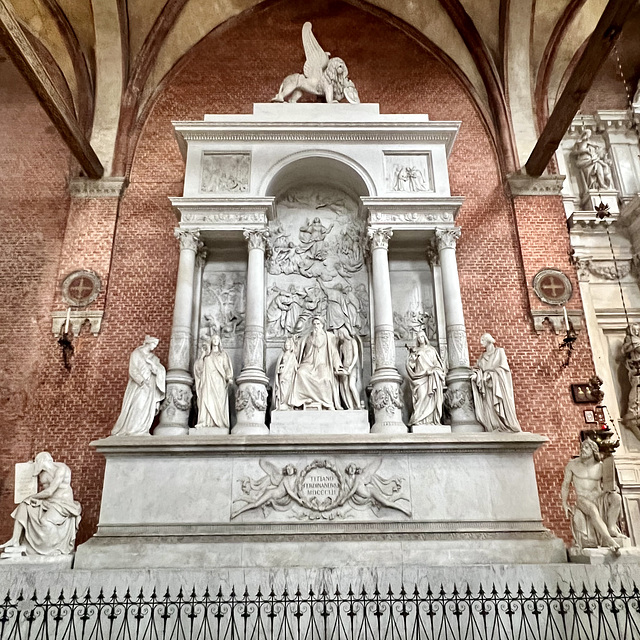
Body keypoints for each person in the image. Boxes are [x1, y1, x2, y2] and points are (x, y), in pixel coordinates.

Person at [0, 452, 81, 556]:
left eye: (37, 462)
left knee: (45, 520)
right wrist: (28, 467)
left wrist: (32, 497)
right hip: (47, 501)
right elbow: (32, 477)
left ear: (42, 461)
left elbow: (49, 491)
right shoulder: (42, 472)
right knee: (24, 505)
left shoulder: (61, 469)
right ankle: (15, 540)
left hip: (62, 503)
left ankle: (51, 547)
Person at [561, 439, 625, 552]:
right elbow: (565, 485)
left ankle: (611, 528)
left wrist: (614, 489)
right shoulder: (572, 465)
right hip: (583, 499)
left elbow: (610, 484)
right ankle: (607, 539)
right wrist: (564, 504)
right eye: (582, 448)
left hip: (599, 496)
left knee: (616, 498)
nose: (582, 450)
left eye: (586, 448)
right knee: (592, 509)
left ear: (593, 450)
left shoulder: (601, 466)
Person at [111, 336, 166, 436]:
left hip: (151, 386)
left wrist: (155, 369)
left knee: (146, 408)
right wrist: (141, 381)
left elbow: (160, 370)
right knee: (137, 405)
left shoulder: (154, 358)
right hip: (139, 385)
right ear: (148, 343)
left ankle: (142, 429)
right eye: (153, 344)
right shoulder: (137, 353)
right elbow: (133, 370)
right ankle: (132, 429)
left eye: (155, 345)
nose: (154, 347)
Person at [289, 317, 343, 410]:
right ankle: (302, 401)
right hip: (308, 363)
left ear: (322, 325)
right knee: (300, 373)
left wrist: (338, 365)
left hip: (322, 363)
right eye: (314, 324)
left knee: (325, 378)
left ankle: (328, 403)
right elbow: (297, 348)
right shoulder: (307, 337)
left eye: (318, 324)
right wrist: (293, 342)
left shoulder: (329, 337)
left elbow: (334, 352)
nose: (316, 326)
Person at [470, 333, 521, 432]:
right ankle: (494, 426)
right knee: (489, 407)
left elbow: (503, 368)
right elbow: (478, 369)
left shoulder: (499, 352)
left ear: (488, 340)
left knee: (498, 406)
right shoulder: (482, 356)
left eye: (483, 340)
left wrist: (490, 375)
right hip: (487, 387)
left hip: (497, 385)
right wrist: (477, 375)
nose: (481, 343)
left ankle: (504, 425)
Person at [194, 333, 234, 431]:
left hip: (219, 381)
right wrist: (202, 356)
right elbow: (199, 368)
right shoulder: (207, 355)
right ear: (211, 341)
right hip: (207, 381)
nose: (215, 340)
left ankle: (219, 422)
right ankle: (205, 422)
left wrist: (229, 377)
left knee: (219, 402)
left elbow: (226, 367)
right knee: (206, 399)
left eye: (217, 339)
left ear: (220, 341)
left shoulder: (223, 355)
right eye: (214, 339)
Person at [406, 331, 446, 427]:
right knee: (421, 396)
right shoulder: (415, 350)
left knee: (430, 398)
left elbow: (438, 365)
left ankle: (431, 420)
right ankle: (418, 420)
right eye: (418, 337)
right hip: (420, 377)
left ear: (425, 337)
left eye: (422, 337)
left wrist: (434, 371)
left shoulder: (431, 350)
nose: (420, 339)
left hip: (431, 377)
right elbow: (411, 365)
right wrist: (412, 359)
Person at [335, 325, 362, 410]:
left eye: (340, 334)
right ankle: (350, 406)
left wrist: (351, 367)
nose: (339, 336)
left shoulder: (352, 341)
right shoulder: (341, 346)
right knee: (345, 387)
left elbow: (356, 355)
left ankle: (358, 405)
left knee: (351, 386)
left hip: (352, 367)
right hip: (344, 367)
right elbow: (339, 358)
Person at [273, 337, 299, 410]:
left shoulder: (292, 355)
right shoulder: (282, 355)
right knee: (282, 389)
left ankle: (286, 403)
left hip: (289, 375)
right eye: (286, 343)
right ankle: (282, 402)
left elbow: (296, 365)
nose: (286, 344)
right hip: (283, 374)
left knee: (288, 389)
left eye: (288, 343)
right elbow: (278, 365)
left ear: (291, 345)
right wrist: (279, 369)